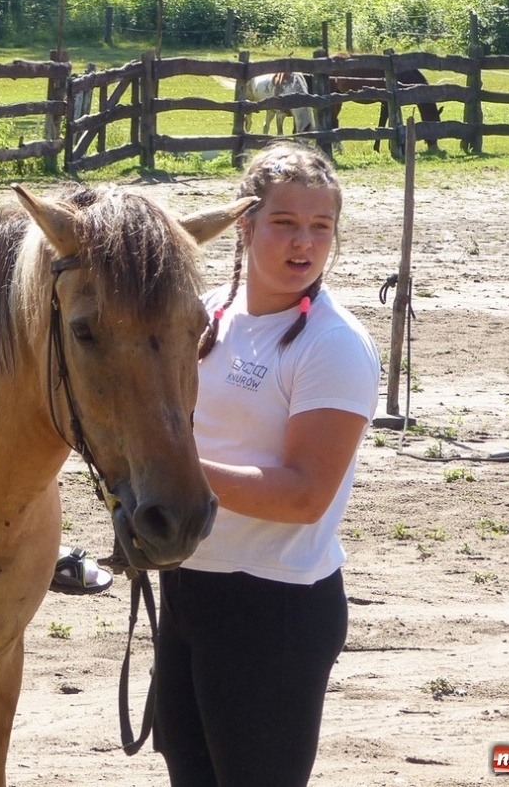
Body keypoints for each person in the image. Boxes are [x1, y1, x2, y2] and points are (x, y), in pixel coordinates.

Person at [152, 141, 381, 787]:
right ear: (245, 227)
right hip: (191, 586)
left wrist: (172, 474)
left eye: (321, 226)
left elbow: (304, 494)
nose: (303, 242)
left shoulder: (333, 344)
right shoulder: (212, 320)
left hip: (274, 604)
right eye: (285, 222)